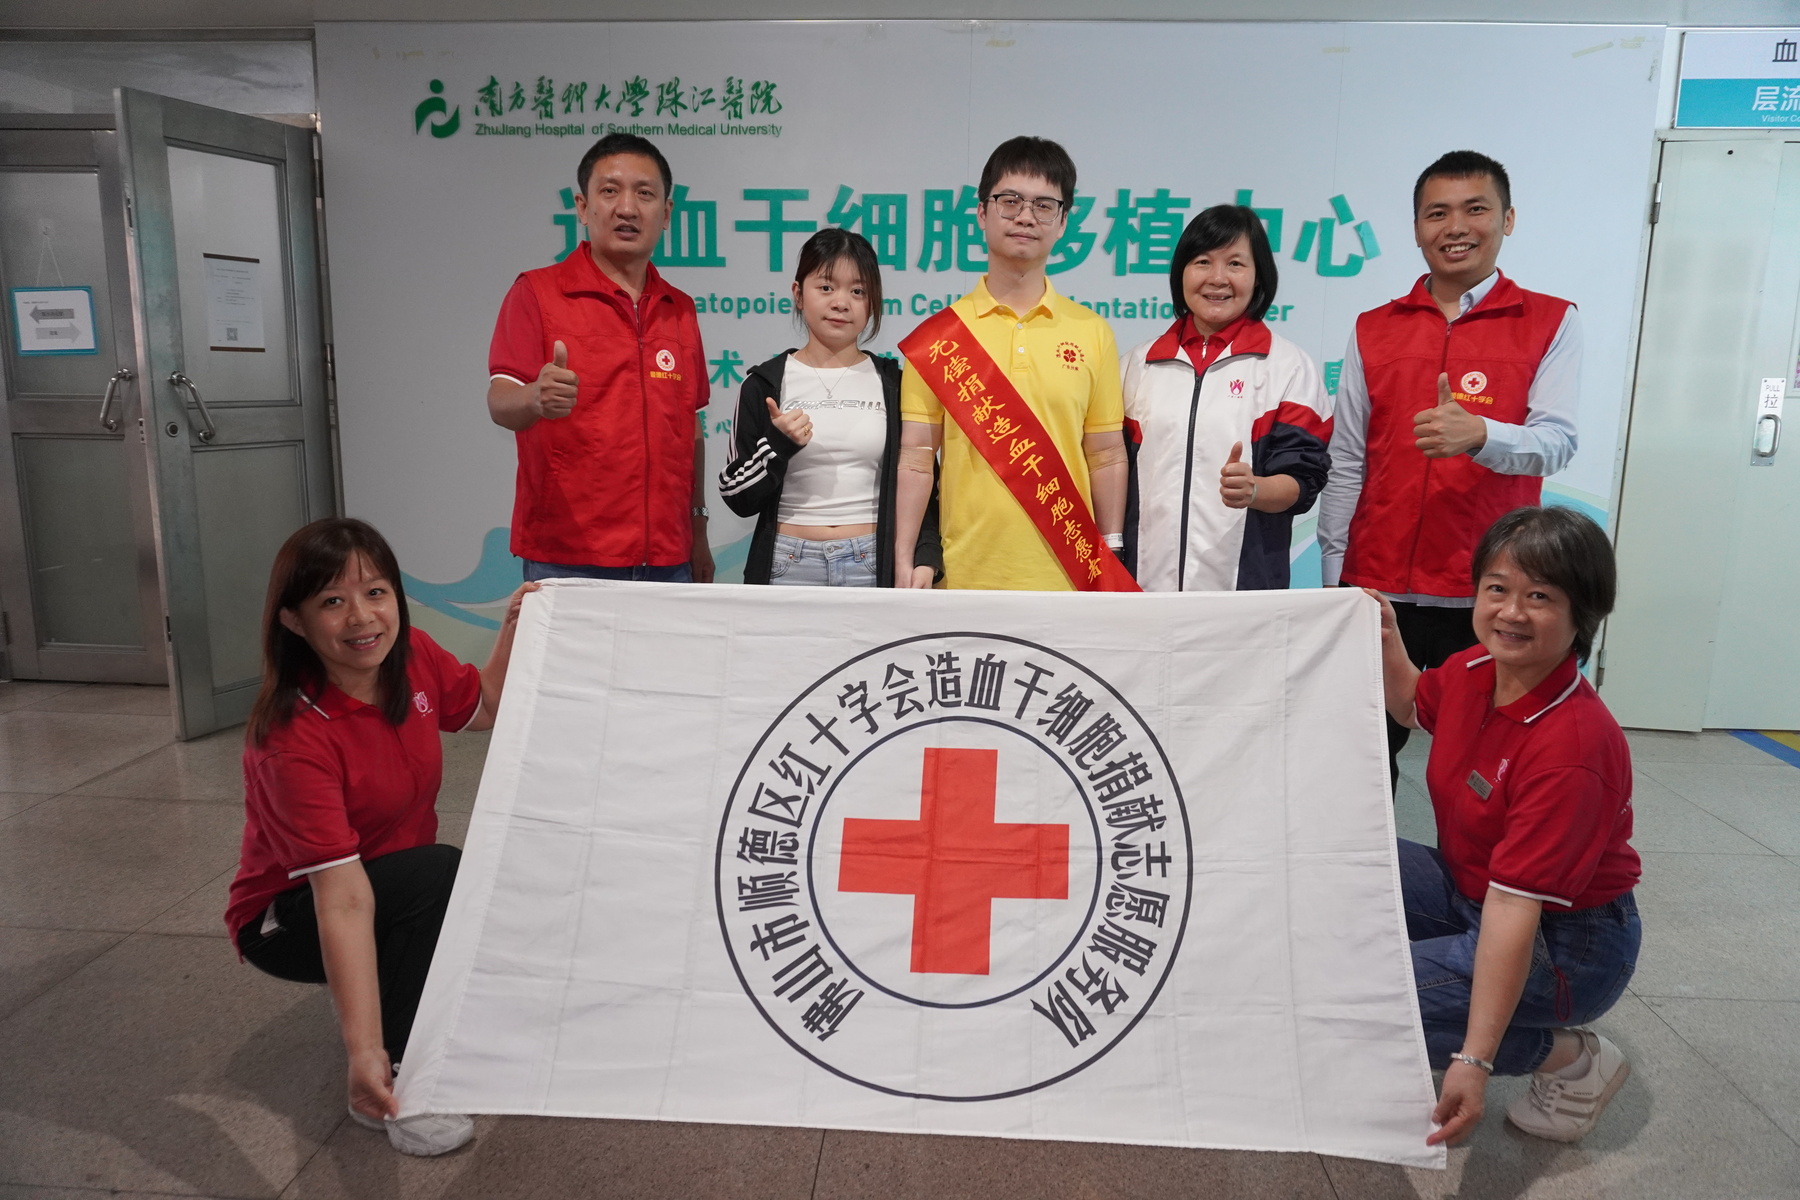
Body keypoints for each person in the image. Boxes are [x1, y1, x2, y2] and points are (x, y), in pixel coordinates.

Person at [224, 518, 537, 1157]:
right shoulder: (290, 739)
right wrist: (363, 1051)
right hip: (289, 917)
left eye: (375, 593)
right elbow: (342, 899)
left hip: (382, 884)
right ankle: (398, 1079)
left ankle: (406, 989)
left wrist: (517, 625)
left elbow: (484, 706)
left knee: (484, 876)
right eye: (332, 602)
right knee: (438, 877)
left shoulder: (411, 655)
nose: (362, 618)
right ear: (293, 621)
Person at [1368, 506, 1640, 1147]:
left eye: (1539, 596)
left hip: (1569, 945)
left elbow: (1516, 907)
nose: (1511, 612)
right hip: (1475, 889)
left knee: (1369, 993)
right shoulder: (1475, 671)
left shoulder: (1573, 746)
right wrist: (1385, 637)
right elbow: (1410, 703)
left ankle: (1571, 1059)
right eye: (1498, 588)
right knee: (1347, 860)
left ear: (1582, 613)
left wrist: (1475, 1060)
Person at [1318, 150, 1580, 785]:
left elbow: (1557, 441)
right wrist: (1336, 579)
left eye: (1475, 209)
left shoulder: (1549, 320)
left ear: (1507, 219)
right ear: (1416, 228)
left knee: (1482, 769)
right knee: (1359, 761)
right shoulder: (1373, 328)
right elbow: (1346, 459)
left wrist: (1481, 434)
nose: (1456, 227)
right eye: (1437, 213)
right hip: (1376, 586)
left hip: (1488, 592)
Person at [893, 136, 1133, 592]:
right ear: (982, 213)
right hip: (963, 577)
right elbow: (917, 460)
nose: (1025, 216)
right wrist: (904, 560)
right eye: (1010, 201)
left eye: (1044, 205)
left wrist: (1111, 551)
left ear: (1063, 222)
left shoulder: (1092, 332)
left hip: (1070, 578)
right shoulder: (939, 338)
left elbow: (1106, 454)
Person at [486, 133, 714, 584]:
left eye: (644, 194)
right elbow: (500, 400)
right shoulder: (537, 292)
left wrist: (698, 528)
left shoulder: (680, 309)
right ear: (582, 206)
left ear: (667, 213)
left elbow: (690, 428)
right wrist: (534, 397)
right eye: (610, 191)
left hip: (668, 557)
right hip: (568, 554)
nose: (627, 208)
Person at [1120, 204, 1332, 590]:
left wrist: (1255, 490)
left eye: (1235, 263)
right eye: (1202, 261)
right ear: (1181, 272)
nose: (1217, 278)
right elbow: (1110, 471)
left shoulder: (1289, 367)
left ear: (1258, 275)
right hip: (1142, 589)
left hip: (1245, 592)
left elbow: (1304, 479)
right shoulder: (1136, 365)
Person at [717, 228, 942, 587]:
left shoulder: (896, 385)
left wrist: (925, 557)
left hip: (872, 562)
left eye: (858, 291)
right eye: (826, 287)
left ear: (873, 303)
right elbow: (736, 495)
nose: (841, 303)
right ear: (798, 294)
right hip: (787, 565)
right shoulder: (764, 384)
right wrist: (778, 445)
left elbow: (921, 484)